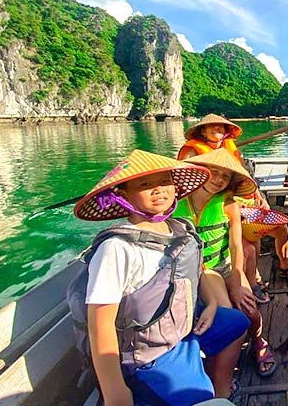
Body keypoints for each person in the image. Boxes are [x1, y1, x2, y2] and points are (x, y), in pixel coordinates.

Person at [72, 149, 250, 405]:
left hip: (184, 330)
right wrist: (115, 392)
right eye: (145, 184)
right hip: (150, 355)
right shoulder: (116, 249)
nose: (159, 190)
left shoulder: (179, 230)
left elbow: (196, 272)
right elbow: (100, 325)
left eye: (165, 181)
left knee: (237, 323)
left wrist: (211, 304)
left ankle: (219, 388)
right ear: (123, 196)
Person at [178, 114, 288, 303]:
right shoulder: (192, 153)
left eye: (221, 127)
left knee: (281, 229)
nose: (217, 130)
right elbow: (187, 184)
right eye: (212, 127)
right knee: (249, 244)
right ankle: (252, 280)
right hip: (221, 204)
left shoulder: (229, 148)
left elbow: (243, 178)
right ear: (202, 131)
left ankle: (285, 266)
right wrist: (233, 203)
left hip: (242, 198)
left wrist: (259, 197)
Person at [176, 148, 277, 378]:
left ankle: (258, 339)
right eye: (214, 173)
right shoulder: (176, 201)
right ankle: (219, 370)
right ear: (200, 172)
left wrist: (238, 277)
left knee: (249, 310)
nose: (219, 180)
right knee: (226, 315)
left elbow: (235, 246)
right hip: (193, 270)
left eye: (225, 177)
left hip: (223, 265)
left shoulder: (228, 204)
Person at [177, 113, 243, 161]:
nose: (216, 127)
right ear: (203, 132)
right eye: (211, 125)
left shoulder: (233, 149)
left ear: (225, 131)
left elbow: (243, 170)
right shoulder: (192, 152)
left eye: (220, 125)